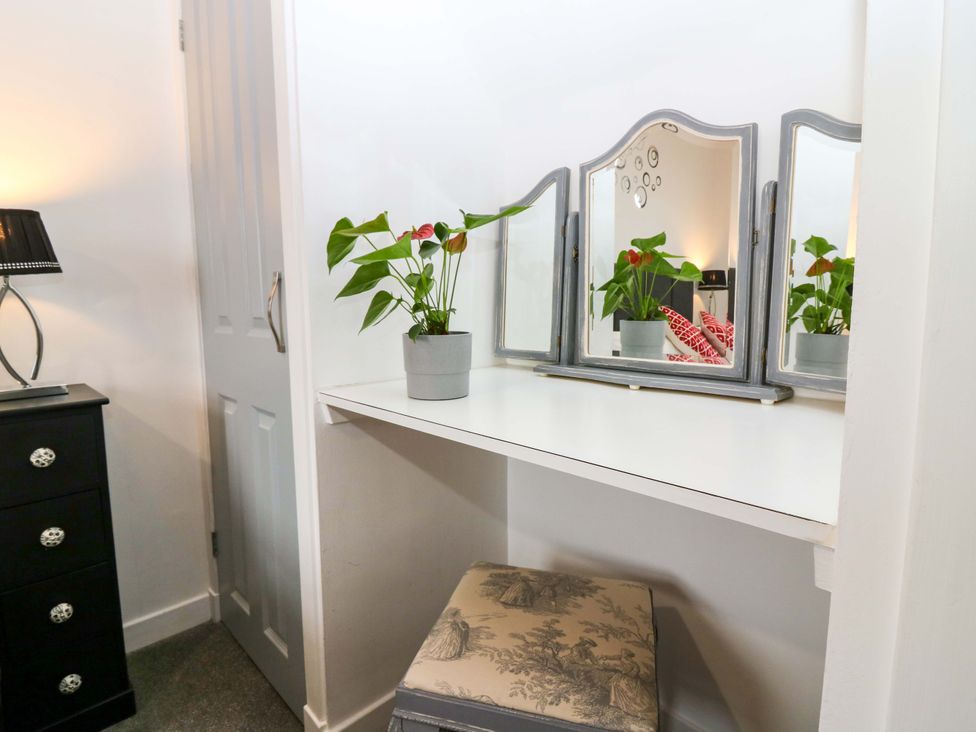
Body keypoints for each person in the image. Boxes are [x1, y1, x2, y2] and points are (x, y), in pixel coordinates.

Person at [607, 649, 655, 717]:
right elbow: (614, 658)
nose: (624, 658)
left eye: (625, 656)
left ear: (629, 657)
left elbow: (633, 674)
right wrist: (606, 657)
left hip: (633, 681)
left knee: (622, 684)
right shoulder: (623, 660)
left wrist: (624, 671)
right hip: (625, 679)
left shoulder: (634, 665)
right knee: (615, 683)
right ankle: (614, 702)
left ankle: (630, 706)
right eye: (623, 656)